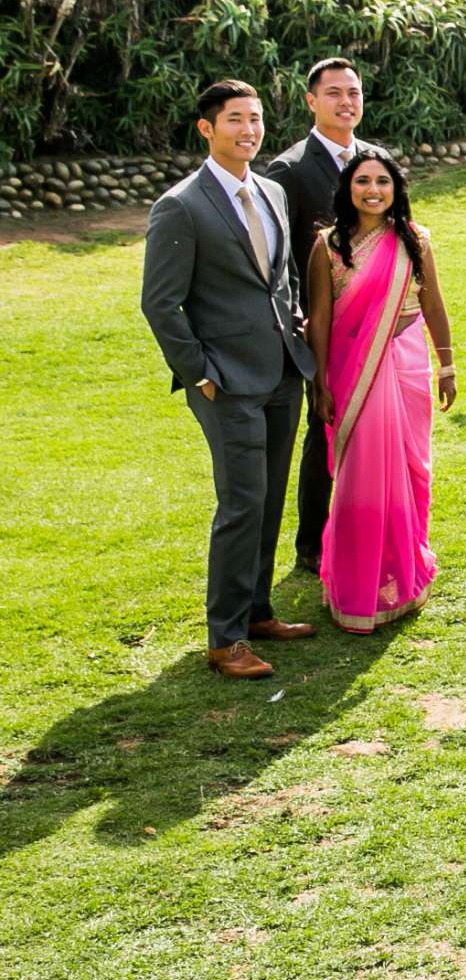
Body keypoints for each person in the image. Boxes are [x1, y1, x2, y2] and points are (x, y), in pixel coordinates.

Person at [139, 79, 318, 678]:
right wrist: (200, 375)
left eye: (256, 118)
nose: (249, 129)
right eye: (235, 119)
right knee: (242, 502)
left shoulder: (270, 190)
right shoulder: (181, 206)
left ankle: (260, 610)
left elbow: (281, 275)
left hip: (282, 371)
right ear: (207, 129)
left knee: (268, 500)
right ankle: (226, 638)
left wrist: (293, 317)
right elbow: (161, 304)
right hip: (225, 380)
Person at [306, 152, 455, 633]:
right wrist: (320, 384)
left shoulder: (414, 239)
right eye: (363, 180)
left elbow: (432, 302)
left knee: (411, 471)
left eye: (383, 181)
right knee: (362, 477)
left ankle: (401, 574)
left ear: (397, 188)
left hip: (409, 361)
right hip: (354, 372)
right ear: (348, 187)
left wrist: (447, 364)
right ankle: (358, 585)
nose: (373, 189)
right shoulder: (327, 246)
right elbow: (322, 320)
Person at [261, 57, 387, 575]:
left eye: (353, 92)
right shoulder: (289, 170)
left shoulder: (376, 158)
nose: (346, 102)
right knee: (325, 426)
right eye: (334, 93)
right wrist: (302, 319)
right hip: (324, 324)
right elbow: (279, 255)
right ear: (311, 101)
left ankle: (370, 528)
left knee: (376, 427)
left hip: (377, 323)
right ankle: (311, 543)